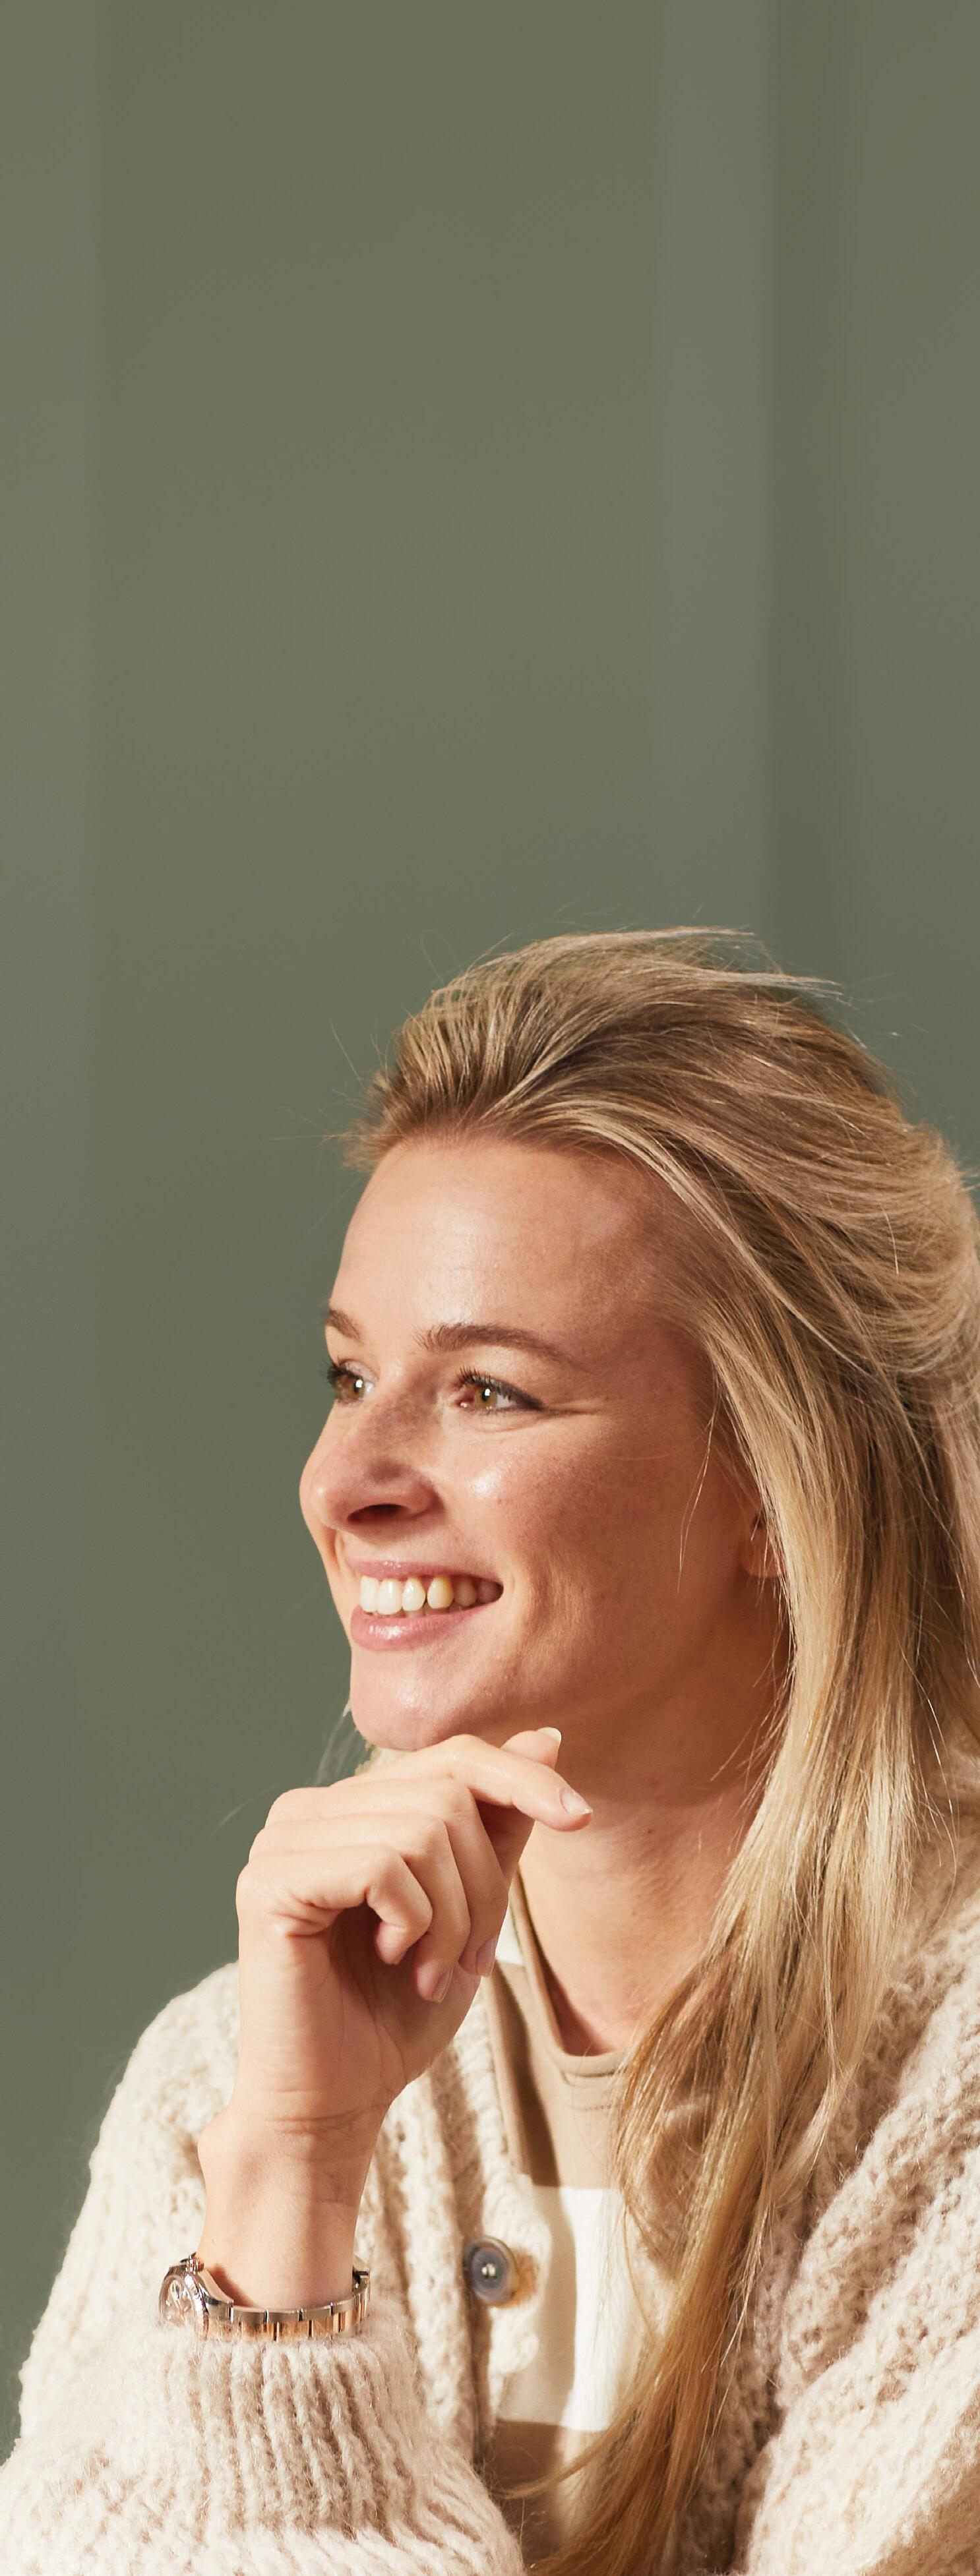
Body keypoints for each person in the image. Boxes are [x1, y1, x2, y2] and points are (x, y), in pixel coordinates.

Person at [5, 926, 980, 2576]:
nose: (343, 1481)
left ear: (773, 1482)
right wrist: (293, 2178)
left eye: (488, 1393)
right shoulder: (233, 2077)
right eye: (349, 1373)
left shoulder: (946, 2091)